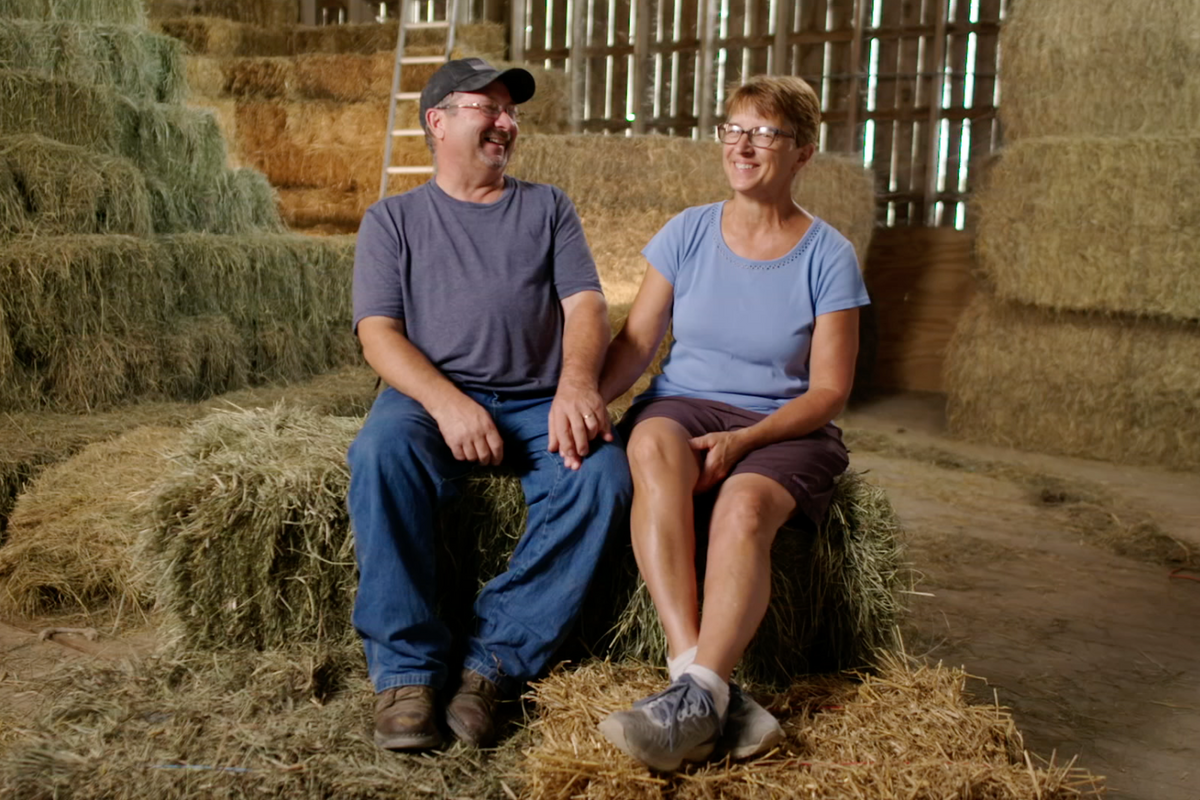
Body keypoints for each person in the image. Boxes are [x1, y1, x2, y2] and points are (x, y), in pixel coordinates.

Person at [348, 57, 632, 752]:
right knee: (379, 452)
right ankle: (407, 672)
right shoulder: (393, 219)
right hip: (428, 399)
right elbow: (377, 334)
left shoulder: (548, 207)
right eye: (487, 106)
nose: (506, 122)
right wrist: (446, 403)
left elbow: (585, 305)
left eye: (511, 112)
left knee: (601, 476)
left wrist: (577, 385)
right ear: (437, 121)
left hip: (539, 398)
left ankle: (494, 664)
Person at [594, 75, 870, 771]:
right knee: (652, 441)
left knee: (744, 508)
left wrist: (747, 440)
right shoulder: (686, 231)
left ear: (804, 152)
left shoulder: (827, 254)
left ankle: (695, 697)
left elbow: (832, 389)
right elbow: (636, 344)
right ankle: (701, 681)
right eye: (733, 129)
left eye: (765, 133)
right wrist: (585, 398)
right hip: (685, 402)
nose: (743, 146)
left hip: (787, 424)